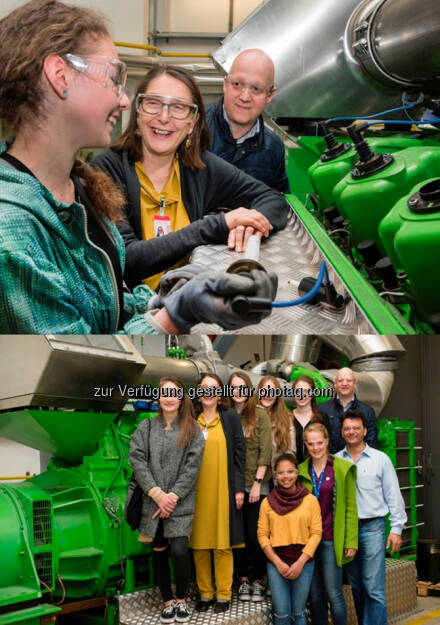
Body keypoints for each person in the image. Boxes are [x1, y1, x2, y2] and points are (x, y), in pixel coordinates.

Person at [0, 1, 276, 335]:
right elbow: (84, 364)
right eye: (113, 78)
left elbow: (109, 298)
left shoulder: (79, 187)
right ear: (60, 77)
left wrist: (162, 298)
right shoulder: (11, 235)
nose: (124, 101)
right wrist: (176, 314)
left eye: (178, 109)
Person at [93, 65, 289, 289]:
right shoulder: (105, 172)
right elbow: (126, 260)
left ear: (192, 122)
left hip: (185, 306)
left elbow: (273, 200)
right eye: (153, 103)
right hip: (131, 316)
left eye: (178, 108)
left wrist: (249, 226)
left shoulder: (199, 168)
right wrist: (217, 225)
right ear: (138, 112)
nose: (164, 117)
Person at [128, 377, 205, 623]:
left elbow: (193, 467)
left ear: (182, 399)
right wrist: (157, 494)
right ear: (158, 398)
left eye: (174, 393)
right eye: (164, 393)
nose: (169, 398)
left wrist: (172, 496)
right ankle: (167, 601)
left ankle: (181, 599)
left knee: (181, 551)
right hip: (153, 503)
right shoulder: (146, 427)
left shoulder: (192, 429)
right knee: (159, 551)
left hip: (180, 503)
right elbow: (137, 460)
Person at [336, 411, 407, 625]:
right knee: (356, 586)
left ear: (365, 431)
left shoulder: (380, 459)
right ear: (342, 432)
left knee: (373, 588)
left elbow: (393, 495)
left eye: (356, 428)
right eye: (347, 428)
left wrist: (396, 529)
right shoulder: (336, 461)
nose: (351, 432)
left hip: (372, 528)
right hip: (348, 532)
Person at [189, 373, 246, 613]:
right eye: (204, 388)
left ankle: (223, 594)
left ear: (220, 393)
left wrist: (238, 488)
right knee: (199, 545)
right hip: (195, 492)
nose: (208, 392)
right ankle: (205, 593)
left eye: (213, 388)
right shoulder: (191, 419)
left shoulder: (230, 417)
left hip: (224, 490)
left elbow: (239, 454)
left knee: (223, 544)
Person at [299, 422, 358, 625]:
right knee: (314, 596)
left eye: (319, 443)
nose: (316, 448)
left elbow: (350, 507)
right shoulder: (300, 472)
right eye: (311, 444)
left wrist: (351, 541)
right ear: (306, 445)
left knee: (334, 593)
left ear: (327, 442)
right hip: (308, 543)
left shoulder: (341, 468)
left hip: (331, 540)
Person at [206, 49, 289, 194]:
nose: (245, 97)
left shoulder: (273, 148)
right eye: (237, 84)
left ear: (270, 95)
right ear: (225, 84)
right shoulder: (193, 129)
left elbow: (278, 202)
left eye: (256, 89)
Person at [257, 452, 322, 625]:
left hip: (304, 562)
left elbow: (316, 533)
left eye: (290, 471)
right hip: (276, 562)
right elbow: (262, 535)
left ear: (297, 472)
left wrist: (301, 562)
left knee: (299, 612)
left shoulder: (310, 500)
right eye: (281, 472)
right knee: (282, 613)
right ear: (276, 475)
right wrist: (278, 563)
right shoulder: (267, 502)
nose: (286, 476)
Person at [228, 371, 272, 601]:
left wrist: (256, 483)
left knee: (256, 535)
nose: (238, 391)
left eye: (241, 386)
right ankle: (243, 580)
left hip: (256, 484)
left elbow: (266, 450)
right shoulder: (226, 415)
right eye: (233, 386)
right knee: (239, 535)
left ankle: (257, 580)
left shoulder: (260, 414)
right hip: (233, 485)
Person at [319, 367, 378, 453]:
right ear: (335, 384)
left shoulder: (367, 411)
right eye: (340, 380)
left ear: (354, 384)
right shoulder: (322, 409)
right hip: (331, 463)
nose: (345, 383)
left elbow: (372, 444)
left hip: (358, 463)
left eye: (349, 380)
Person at [257, 375, 296, 467]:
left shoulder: (287, 418)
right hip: (254, 474)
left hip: (277, 475)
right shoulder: (250, 416)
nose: (268, 395)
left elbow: (291, 450)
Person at [292, 375, 330, 463]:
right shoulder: (287, 418)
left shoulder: (322, 418)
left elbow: (328, 447)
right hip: (292, 473)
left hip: (316, 471)